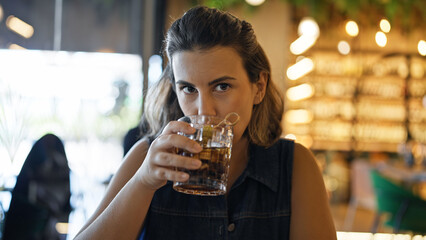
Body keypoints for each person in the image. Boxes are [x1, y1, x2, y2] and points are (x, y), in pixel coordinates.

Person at [75, 6, 336, 240]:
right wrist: (142, 182)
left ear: (259, 87)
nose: (204, 110)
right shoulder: (148, 158)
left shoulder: (294, 166)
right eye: (188, 89)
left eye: (222, 86)